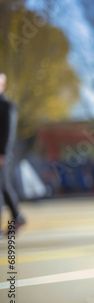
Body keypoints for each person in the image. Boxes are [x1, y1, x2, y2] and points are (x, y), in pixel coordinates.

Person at [0, 71, 26, 235]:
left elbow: (9, 133)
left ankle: (17, 217)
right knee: (4, 186)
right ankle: (18, 217)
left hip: (2, 155)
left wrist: (2, 153)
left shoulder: (7, 106)